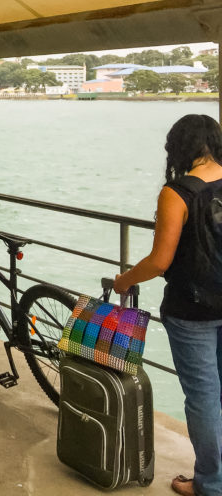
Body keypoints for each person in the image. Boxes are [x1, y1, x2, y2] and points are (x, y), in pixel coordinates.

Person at [114, 115, 222, 496]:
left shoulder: (178, 192)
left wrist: (124, 280)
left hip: (192, 309)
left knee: (204, 396)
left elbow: (160, 261)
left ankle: (210, 484)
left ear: (179, 146)